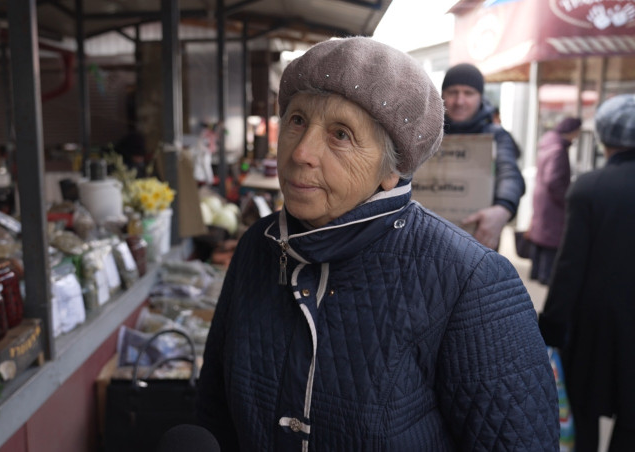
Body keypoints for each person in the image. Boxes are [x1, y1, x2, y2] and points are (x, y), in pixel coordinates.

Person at [196, 37, 558, 451]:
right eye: (296, 120)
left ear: (392, 168)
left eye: (341, 134)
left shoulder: (469, 281)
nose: (301, 152)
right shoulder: (257, 247)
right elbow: (214, 411)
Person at [539, 94, 635, 452]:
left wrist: (551, 326)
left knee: (583, 410)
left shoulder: (590, 188)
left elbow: (569, 266)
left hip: (594, 327)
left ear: (603, 137)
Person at [441, 63, 526, 250]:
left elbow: (509, 173)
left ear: (480, 96)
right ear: (442, 95)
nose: (460, 101)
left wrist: (503, 208)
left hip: (478, 240)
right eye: (453, 92)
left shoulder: (496, 135)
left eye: (468, 93)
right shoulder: (427, 133)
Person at [528, 116, 582, 285]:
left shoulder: (548, 144)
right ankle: (545, 275)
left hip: (542, 198)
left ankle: (536, 271)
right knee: (551, 240)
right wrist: (565, 199)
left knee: (541, 236)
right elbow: (554, 181)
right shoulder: (558, 149)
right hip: (552, 202)